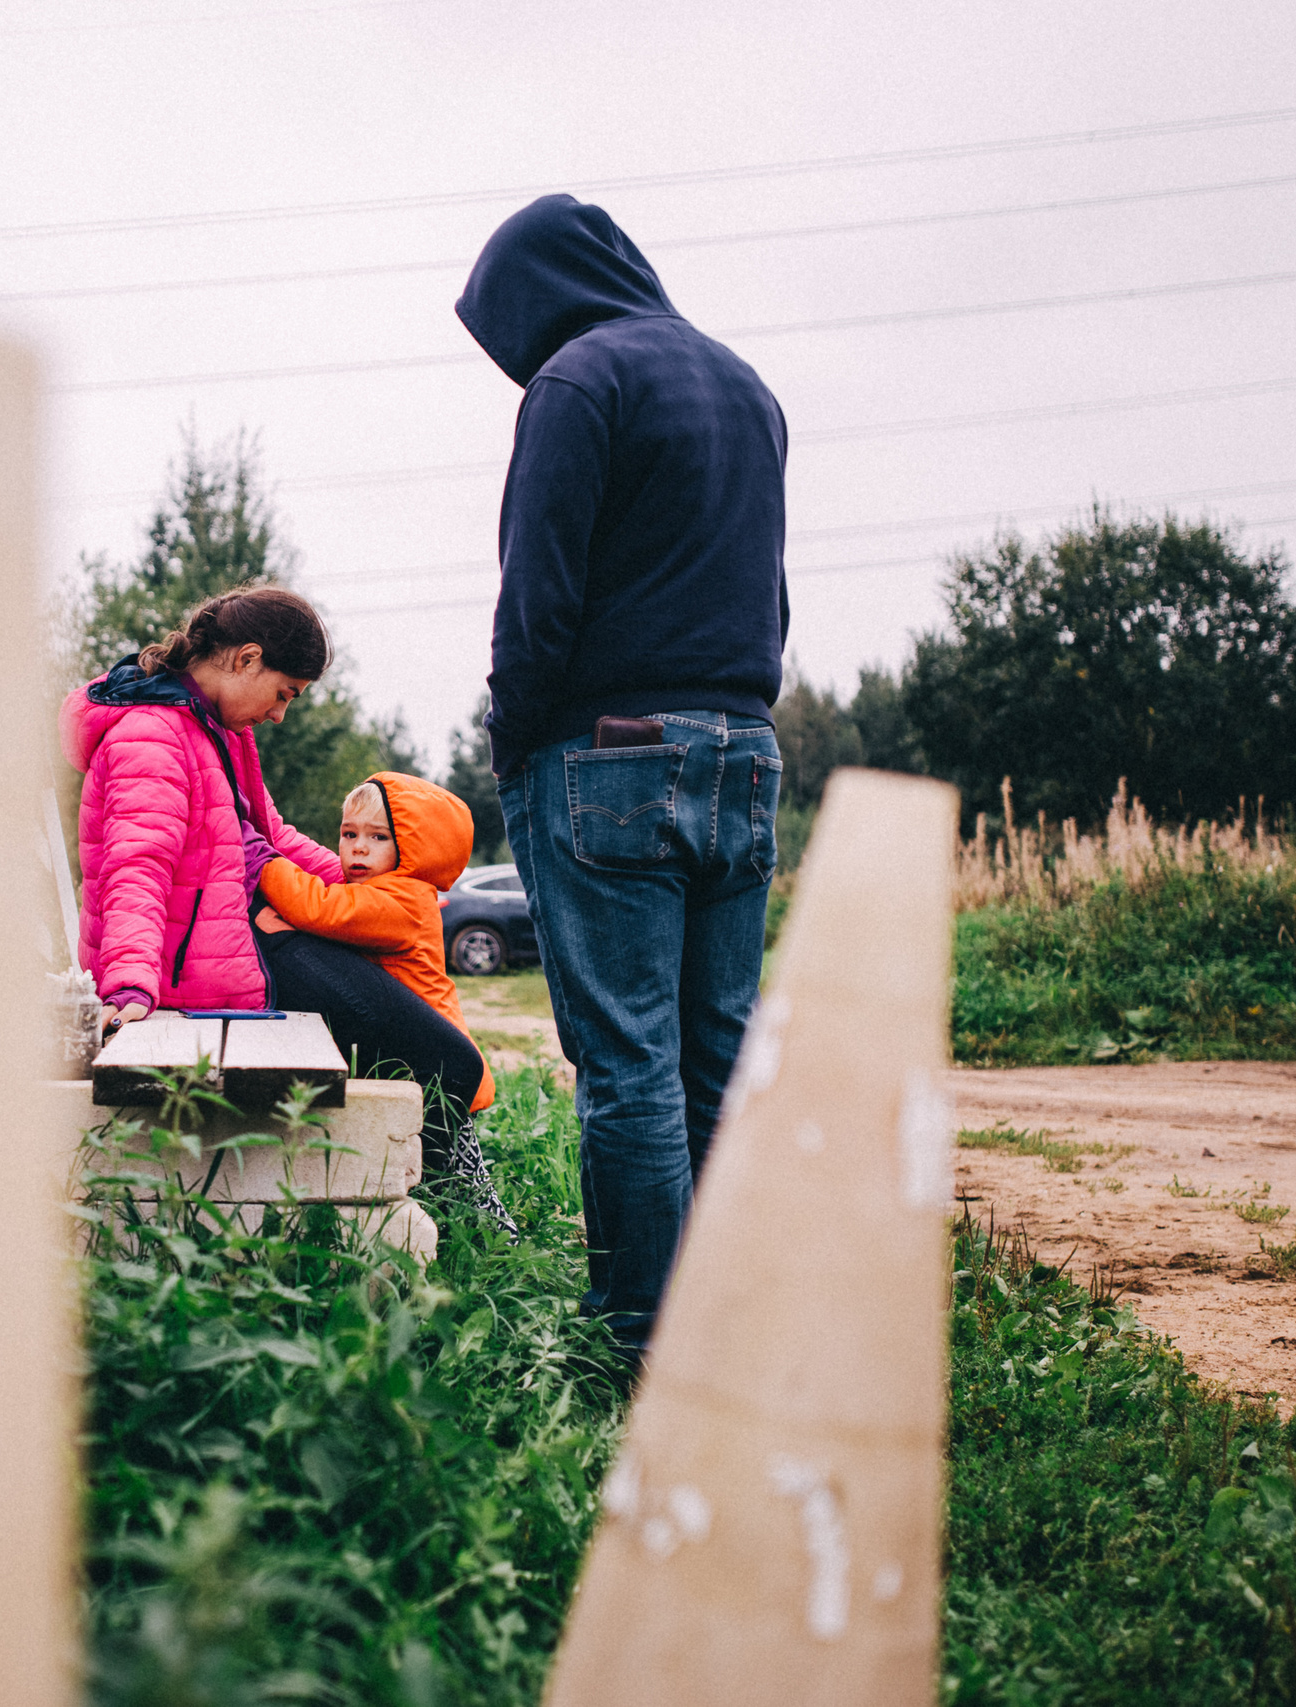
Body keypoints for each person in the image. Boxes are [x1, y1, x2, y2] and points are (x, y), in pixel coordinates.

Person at [455, 193, 789, 1364]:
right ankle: (728, 1321)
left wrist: (513, 737)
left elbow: (537, 592)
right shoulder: (747, 387)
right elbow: (768, 592)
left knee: (628, 1060)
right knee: (717, 1055)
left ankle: (644, 1337)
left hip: (608, 752)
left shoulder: (578, 381)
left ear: (535, 296)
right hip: (744, 741)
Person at [64, 587, 341, 1025]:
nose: (278, 715)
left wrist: (373, 884)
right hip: (180, 985)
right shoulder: (152, 733)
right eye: (283, 694)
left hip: (230, 962)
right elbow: (138, 867)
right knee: (427, 1044)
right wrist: (131, 981)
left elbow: (273, 836)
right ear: (247, 658)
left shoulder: (217, 730)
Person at [247, 774, 513, 1229]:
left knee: (452, 1177)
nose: (358, 849)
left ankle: (490, 1241)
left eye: (378, 838)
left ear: (413, 850)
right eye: (349, 834)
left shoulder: (404, 901)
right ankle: (467, 1234)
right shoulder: (379, 894)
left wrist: (261, 861)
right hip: (413, 1053)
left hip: (435, 1062)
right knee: (440, 1173)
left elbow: (319, 908)